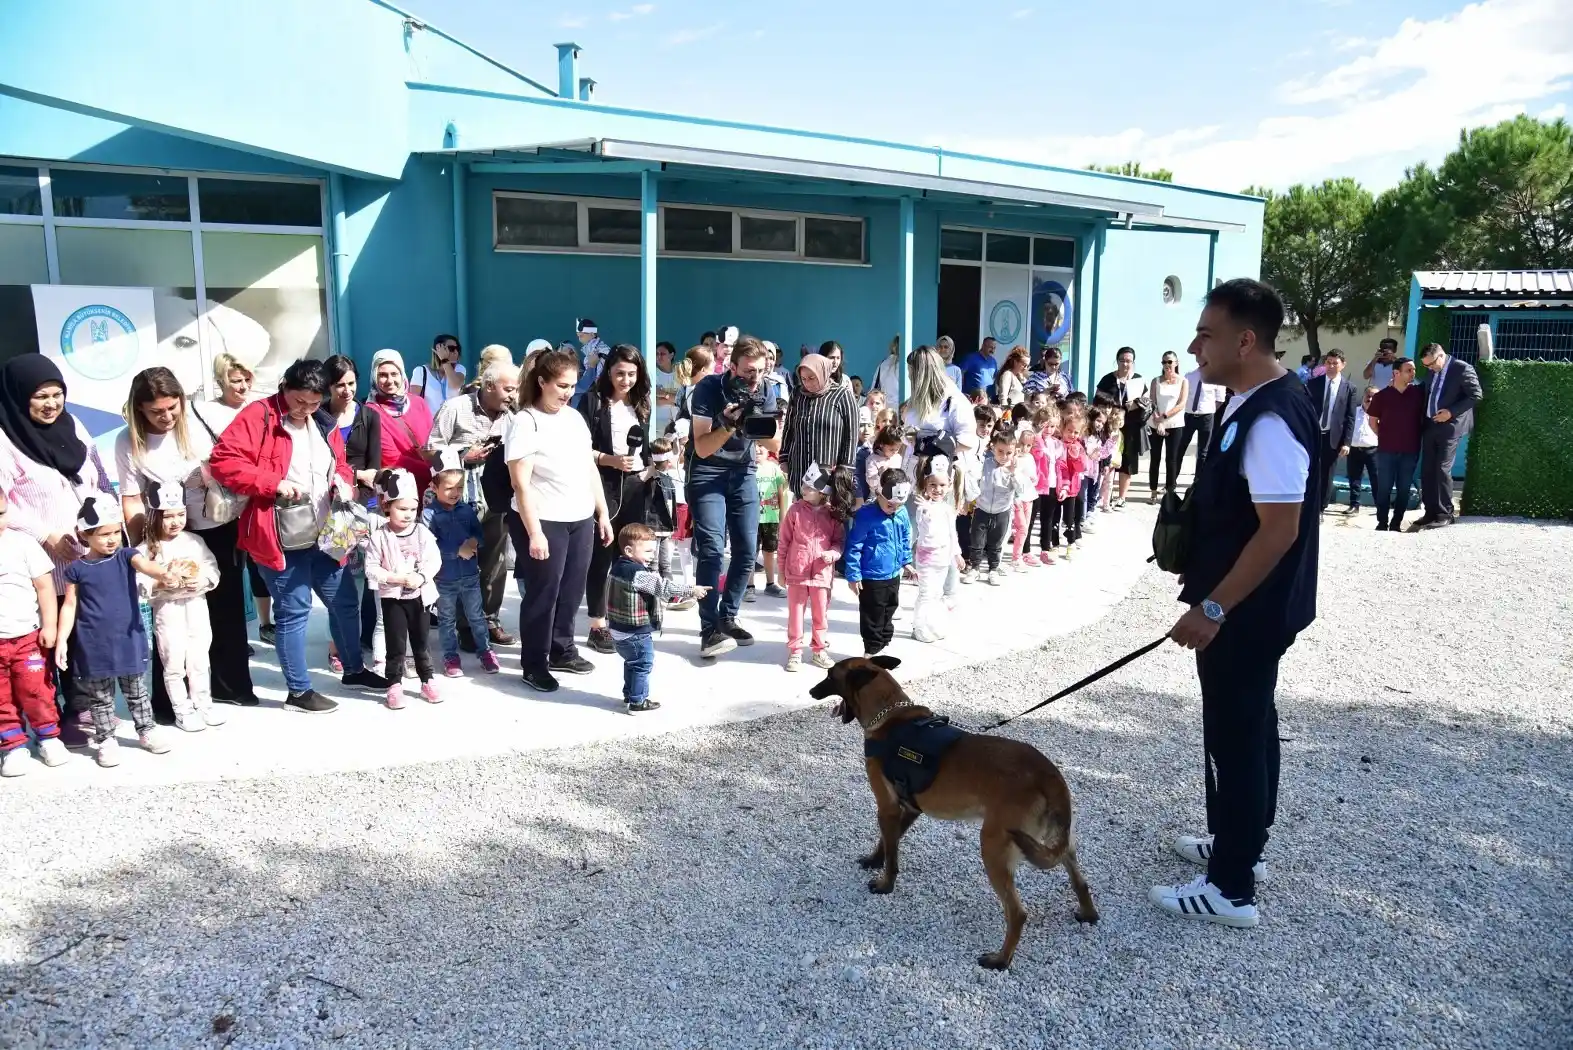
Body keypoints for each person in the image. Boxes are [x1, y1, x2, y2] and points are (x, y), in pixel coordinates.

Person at [1155, 278, 1319, 929]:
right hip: (1246, 607)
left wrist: (1214, 608)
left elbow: (1279, 529)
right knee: (1245, 728)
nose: (1193, 345)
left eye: (1206, 334)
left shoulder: (1271, 415)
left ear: (1244, 340)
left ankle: (1230, 887)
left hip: (1245, 612)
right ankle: (1237, 841)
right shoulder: (1252, 400)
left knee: (1238, 734)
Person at [209, 358, 394, 714]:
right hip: (279, 533)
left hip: (328, 531)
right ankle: (298, 692)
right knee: (295, 611)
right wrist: (273, 484)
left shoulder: (322, 420)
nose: (306, 409)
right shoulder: (258, 416)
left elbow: (337, 463)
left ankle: (354, 670)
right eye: (299, 402)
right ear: (284, 388)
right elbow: (223, 462)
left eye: (313, 403)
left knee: (344, 602)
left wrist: (344, 480)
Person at [116, 366, 261, 720]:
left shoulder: (202, 420)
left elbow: (239, 462)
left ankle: (229, 686)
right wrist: (145, 551)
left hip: (214, 524)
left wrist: (210, 473)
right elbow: (131, 498)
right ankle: (169, 701)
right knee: (171, 619)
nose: (166, 417)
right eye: (156, 411)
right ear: (139, 410)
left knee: (223, 607)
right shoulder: (127, 441)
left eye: (172, 408)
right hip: (163, 536)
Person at [0, 356, 117, 748]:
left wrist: (100, 526)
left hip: (87, 553)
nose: (51, 404)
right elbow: (4, 503)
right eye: (40, 396)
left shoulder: (75, 426)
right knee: (51, 639)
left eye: (57, 395)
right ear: (19, 398)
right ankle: (51, 719)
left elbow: (97, 477)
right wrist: (46, 534)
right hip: (41, 561)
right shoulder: (5, 438)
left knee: (86, 631)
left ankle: (86, 707)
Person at [505, 348, 613, 693]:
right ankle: (534, 663)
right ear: (542, 382)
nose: (567, 392)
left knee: (571, 590)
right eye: (561, 386)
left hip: (579, 516)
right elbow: (520, 483)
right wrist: (534, 533)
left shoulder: (573, 418)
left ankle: (562, 650)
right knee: (543, 592)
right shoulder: (526, 421)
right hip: (543, 518)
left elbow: (588, 466)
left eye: (571, 385)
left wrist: (602, 513)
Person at [55, 495, 177, 768]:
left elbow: (146, 565)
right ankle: (106, 739)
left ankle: (146, 730)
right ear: (84, 534)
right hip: (93, 645)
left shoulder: (126, 556)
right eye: (104, 534)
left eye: (115, 533)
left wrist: (163, 574)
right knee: (99, 698)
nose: (112, 539)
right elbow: (70, 605)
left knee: (137, 691)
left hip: (128, 639)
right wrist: (62, 639)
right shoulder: (77, 569)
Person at [685, 335, 781, 660]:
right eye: (750, 371)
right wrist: (727, 423)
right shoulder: (709, 388)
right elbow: (701, 447)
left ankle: (729, 615)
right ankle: (708, 629)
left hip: (743, 473)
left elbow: (775, 444)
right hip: (707, 471)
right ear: (732, 366)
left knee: (747, 549)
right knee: (712, 549)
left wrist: (756, 423)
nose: (755, 378)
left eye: (761, 371)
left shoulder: (767, 390)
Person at [426, 357, 519, 649]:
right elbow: (433, 449)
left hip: (497, 499)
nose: (513, 396)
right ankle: (462, 625)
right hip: (460, 501)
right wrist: (464, 456)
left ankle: (488, 619)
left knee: (495, 561)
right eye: (508, 389)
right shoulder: (456, 407)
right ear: (489, 386)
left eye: (515, 389)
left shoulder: (513, 416)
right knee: (460, 561)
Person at [579, 344, 653, 655]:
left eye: (632, 374)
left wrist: (648, 469)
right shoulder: (592, 401)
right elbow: (580, 449)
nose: (625, 380)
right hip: (603, 487)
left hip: (636, 487)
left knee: (633, 556)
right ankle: (597, 625)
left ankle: (629, 614)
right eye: (620, 373)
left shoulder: (642, 402)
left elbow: (647, 451)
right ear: (608, 372)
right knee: (602, 556)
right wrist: (610, 460)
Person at [136, 482, 223, 734]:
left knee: (199, 657)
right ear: (154, 516)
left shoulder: (195, 541)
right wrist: (159, 582)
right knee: (172, 661)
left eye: (180, 514)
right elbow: (139, 585)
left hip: (196, 605)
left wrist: (204, 580)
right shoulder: (146, 550)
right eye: (168, 516)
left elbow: (211, 568)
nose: (175, 521)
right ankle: (182, 709)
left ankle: (203, 703)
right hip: (167, 610)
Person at [319, 355, 384, 667]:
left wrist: (357, 480)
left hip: (363, 507)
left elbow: (375, 468)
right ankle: (337, 646)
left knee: (369, 580)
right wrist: (354, 476)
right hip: (330, 510)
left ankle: (367, 638)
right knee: (341, 580)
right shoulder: (317, 417)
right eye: (339, 385)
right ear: (328, 386)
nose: (346, 390)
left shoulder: (369, 415)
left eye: (351, 384)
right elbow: (319, 467)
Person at [605, 523, 708, 713]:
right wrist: (691, 590)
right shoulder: (638, 573)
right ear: (629, 550)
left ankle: (630, 694)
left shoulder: (617, 567)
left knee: (632, 662)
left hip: (618, 629)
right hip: (635, 632)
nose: (653, 555)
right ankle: (638, 701)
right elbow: (664, 587)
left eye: (654, 550)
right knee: (643, 663)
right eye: (648, 551)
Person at [363, 469, 442, 708]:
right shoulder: (380, 536)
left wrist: (421, 576)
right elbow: (371, 567)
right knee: (395, 642)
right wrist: (393, 577)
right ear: (387, 506)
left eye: (412, 509)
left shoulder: (422, 533)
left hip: (420, 598)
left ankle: (427, 678)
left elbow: (434, 560)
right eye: (401, 509)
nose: (408, 515)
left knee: (421, 641)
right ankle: (394, 684)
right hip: (393, 599)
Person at [0, 490, 66, 776]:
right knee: (2, 697)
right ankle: (13, 746)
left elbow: (45, 588)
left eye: (1, 513)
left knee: (36, 690)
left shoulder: (22, 543)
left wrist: (50, 625)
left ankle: (49, 738)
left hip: (27, 637)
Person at [424, 463, 499, 678]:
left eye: (459, 487)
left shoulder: (467, 509)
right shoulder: (429, 515)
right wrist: (457, 551)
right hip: (444, 579)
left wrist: (475, 542)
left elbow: (480, 535)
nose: (455, 493)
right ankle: (450, 656)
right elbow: (429, 546)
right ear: (434, 487)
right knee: (446, 619)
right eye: (449, 488)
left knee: (476, 616)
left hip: (470, 576)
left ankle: (485, 651)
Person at [779, 463, 851, 671]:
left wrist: (833, 554)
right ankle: (795, 651)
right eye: (803, 484)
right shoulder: (794, 511)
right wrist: (782, 570)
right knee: (795, 614)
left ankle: (819, 649)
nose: (804, 489)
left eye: (809, 487)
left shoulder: (833, 515)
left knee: (821, 614)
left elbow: (839, 541)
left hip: (821, 574)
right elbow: (784, 542)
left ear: (822, 492)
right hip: (797, 573)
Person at [1413, 342, 1483, 531]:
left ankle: (1445, 514)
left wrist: (1451, 412)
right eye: (1426, 366)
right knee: (1427, 470)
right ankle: (1430, 512)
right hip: (1430, 425)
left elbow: (1475, 395)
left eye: (1431, 364)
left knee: (1442, 469)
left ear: (1441, 355)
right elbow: (1426, 392)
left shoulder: (1462, 369)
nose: (1429, 368)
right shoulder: (1431, 370)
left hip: (1450, 427)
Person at [843, 468, 912, 658]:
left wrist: (906, 561)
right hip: (871, 577)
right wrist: (853, 575)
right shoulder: (866, 516)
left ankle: (884, 642)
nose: (895, 509)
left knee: (890, 608)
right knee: (872, 615)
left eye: (899, 505)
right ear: (879, 493)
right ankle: (871, 651)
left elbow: (905, 537)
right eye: (890, 505)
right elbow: (854, 546)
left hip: (893, 574)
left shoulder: (901, 512)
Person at [779, 352, 859, 494]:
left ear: (824, 373)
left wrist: (845, 469)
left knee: (823, 510)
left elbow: (851, 435)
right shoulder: (797, 394)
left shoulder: (842, 395)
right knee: (801, 510)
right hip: (799, 467)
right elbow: (788, 428)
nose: (807, 383)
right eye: (803, 379)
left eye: (812, 378)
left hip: (827, 469)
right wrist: (784, 458)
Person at [1366, 357, 1427, 532]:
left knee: (1404, 488)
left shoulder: (1418, 394)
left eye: (1414, 370)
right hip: (1386, 451)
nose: (1413, 373)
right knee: (1383, 488)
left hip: (1410, 450)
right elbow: (1372, 422)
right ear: (1396, 373)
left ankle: (1396, 523)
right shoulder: (1382, 396)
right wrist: (1384, 436)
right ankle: (1382, 523)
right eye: (1409, 370)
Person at [364, 349, 437, 495]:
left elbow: (433, 439)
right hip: (403, 490)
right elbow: (393, 459)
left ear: (402, 374)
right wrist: (434, 473)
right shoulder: (372, 412)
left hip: (434, 486)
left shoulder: (418, 403)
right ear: (374, 377)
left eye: (394, 374)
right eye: (382, 375)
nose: (390, 380)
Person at [910, 457, 962, 643]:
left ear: (949, 485)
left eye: (942, 485)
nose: (937, 489)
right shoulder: (923, 508)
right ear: (925, 484)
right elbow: (927, 530)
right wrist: (927, 511)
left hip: (943, 559)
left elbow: (951, 533)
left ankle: (932, 624)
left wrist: (956, 554)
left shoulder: (948, 509)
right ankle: (918, 627)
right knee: (926, 594)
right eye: (933, 484)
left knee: (936, 594)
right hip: (926, 560)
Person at [1306, 349, 1357, 514]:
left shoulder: (1349, 388)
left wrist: (1347, 443)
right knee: (1309, 470)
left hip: (1333, 437)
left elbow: (1350, 417)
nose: (1331, 366)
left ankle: (1320, 508)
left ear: (1343, 365)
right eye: (1328, 362)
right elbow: (1306, 409)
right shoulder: (1314, 383)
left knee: (1327, 474)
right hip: (1313, 435)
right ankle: (1307, 505)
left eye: (1335, 363)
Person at [1096, 347, 1148, 508]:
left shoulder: (1138, 380)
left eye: (1129, 361)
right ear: (1117, 361)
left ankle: (1122, 497)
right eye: (1122, 360)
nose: (1125, 364)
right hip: (1111, 426)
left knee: (1128, 460)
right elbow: (1097, 401)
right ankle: (1104, 495)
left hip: (1131, 426)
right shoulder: (1107, 380)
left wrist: (1136, 404)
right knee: (1107, 459)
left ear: (1133, 363)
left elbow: (1147, 402)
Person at [966, 429, 1016, 583]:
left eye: (1009, 453)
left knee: (996, 542)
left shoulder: (1014, 468)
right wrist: (969, 500)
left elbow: (1022, 490)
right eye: (1000, 451)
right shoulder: (985, 464)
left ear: (1014, 452)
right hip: (982, 509)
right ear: (993, 447)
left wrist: (1013, 473)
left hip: (1002, 512)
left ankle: (993, 569)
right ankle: (974, 568)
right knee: (977, 541)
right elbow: (973, 481)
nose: (1004, 456)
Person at [1147, 353, 1189, 500]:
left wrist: (1164, 417)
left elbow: (1181, 403)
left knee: (1172, 459)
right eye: (1164, 362)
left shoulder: (1183, 381)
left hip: (1175, 424)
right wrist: (1158, 422)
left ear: (1176, 363)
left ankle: (1170, 492)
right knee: (1155, 458)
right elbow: (1152, 403)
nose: (1167, 365)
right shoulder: (1156, 381)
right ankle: (1153, 491)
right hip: (1156, 424)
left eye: (1169, 362)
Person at [753, 446, 788, 599]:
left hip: (771, 518)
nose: (758, 449)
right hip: (751, 519)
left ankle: (770, 583)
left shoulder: (774, 469)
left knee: (769, 551)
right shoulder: (748, 468)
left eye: (762, 446)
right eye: (755, 445)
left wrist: (781, 518)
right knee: (750, 553)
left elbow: (781, 494)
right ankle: (749, 585)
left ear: (768, 451)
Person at [1178, 360, 1227, 469]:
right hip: (1189, 416)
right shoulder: (1189, 376)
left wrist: (1208, 410)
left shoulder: (1217, 378)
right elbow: (1183, 395)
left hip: (1206, 417)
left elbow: (1220, 399)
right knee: (1180, 447)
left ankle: (1197, 483)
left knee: (1203, 452)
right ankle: (1172, 482)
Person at [409, 334, 467, 417]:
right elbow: (413, 403)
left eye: (458, 349)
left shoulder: (459, 369)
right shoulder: (421, 371)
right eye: (451, 349)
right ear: (438, 349)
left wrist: (444, 360)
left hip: (452, 423)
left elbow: (455, 385)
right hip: (430, 424)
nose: (456, 352)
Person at [1009, 428, 1043, 569]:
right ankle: (1015, 557)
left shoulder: (1030, 458)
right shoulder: (1013, 458)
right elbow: (1011, 475)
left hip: (1028, 495)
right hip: (1016, 497)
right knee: (1020, 527)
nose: (1024, 448)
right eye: (1022, 444)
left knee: (1025, 528)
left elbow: (1034, 477)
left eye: (1028, 445)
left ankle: (1018, 556)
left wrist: (1033, 479)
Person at [1344, 388, 1380, 516]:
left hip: (1373, 450)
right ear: (1364, 395)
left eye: (1373, 397)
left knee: (1376, 479)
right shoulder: (1354, 411)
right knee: (1354, 479)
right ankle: (1354, 505)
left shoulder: (1381, 413)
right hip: (1354, 450)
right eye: (1368, 395)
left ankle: (1380, 506)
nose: (1369, 399)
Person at [203, 352, 255, 432]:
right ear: (220, 383)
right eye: (237, 381)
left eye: (247, 380)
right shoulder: (208, 411)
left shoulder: (258, 406)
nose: (244, 387)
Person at [573, 318, 610, 399]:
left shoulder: (602, 351)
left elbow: (597, 379)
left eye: (582, 336)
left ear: (592, 334)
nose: (580, 340)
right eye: (578, 336)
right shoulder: (590, 351)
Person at [654, 341, 679, 435]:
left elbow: (682, 399)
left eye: (663, 354)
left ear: (671, 355)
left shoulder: (680, 373)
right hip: (657, 424)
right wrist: (674, 399)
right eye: (657, 354)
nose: (659, 356)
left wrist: (664, 394)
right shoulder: (652, 373)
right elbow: (656, 401)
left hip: (677, 424)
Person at [871, 336, 901, 400]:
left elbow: (874, 388)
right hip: (902, 406)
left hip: (884, 407)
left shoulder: (882, 365)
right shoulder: (905, 365)